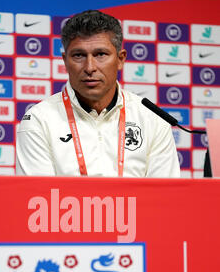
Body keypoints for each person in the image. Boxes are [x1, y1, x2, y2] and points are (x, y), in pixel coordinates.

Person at [16, 10, 180, 177]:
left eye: (100, 54)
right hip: (66, 205)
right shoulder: (39, 120)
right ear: (65, 61)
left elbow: (164, 197)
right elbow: (39, 198)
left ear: (120, 59)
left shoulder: (151, 118)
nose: (89, 67)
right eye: (79, 55)